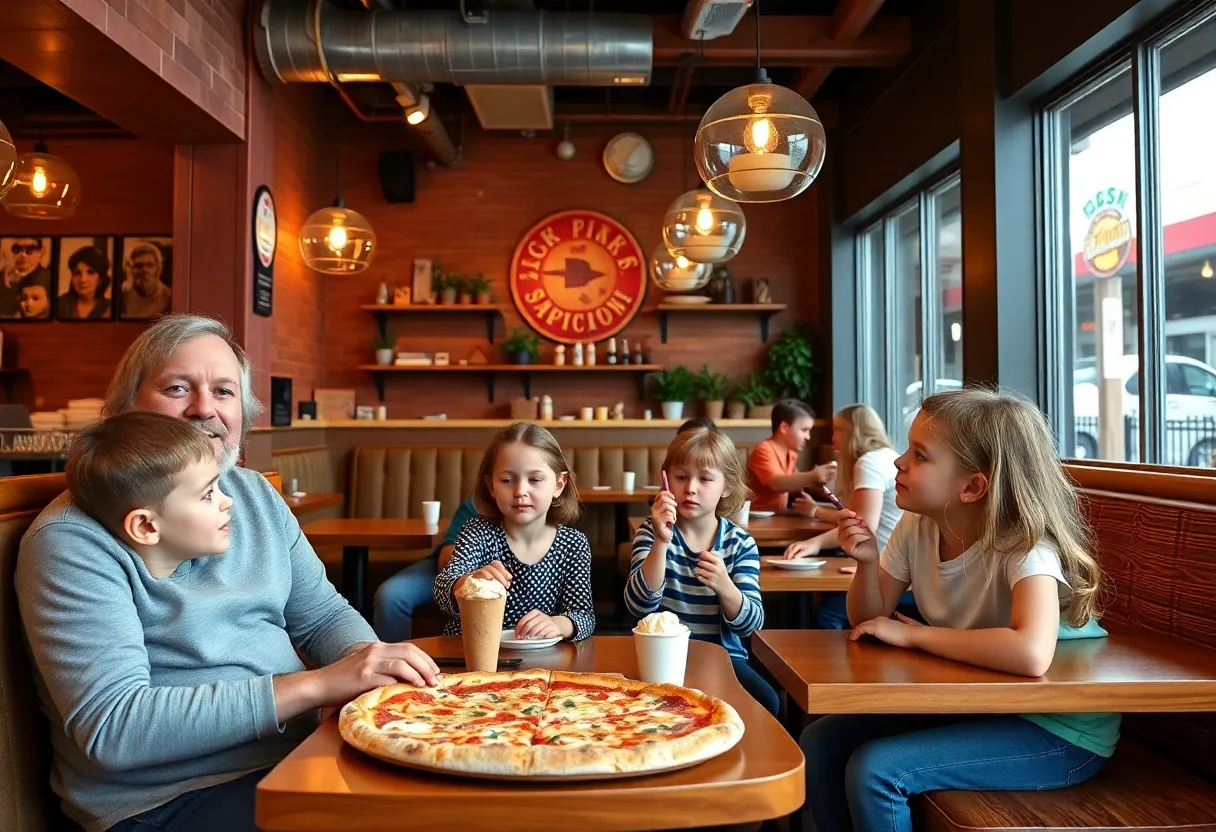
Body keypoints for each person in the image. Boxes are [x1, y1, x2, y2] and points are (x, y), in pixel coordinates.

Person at [16, 314, 439, 832]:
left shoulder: (254, 493)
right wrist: (318, 686)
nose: (205, 409)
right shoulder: (73, 539)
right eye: (177, 387)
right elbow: (115, 729)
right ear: (126, 409)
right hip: (165, 801)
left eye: (224, 391)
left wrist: (366, 668)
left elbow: (323, 616)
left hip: (295, 755)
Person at [801, 388, 1117, 832]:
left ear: (972, 487)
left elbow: (1031, 653)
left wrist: (913, 634)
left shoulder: (1025, 545)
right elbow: (866, 619)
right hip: (987, 701)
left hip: (1059, 730)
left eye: (920, 455)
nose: (899, 462)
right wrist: (866, 562)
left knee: (877, 769)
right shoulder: (918, 525)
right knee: (822, 739)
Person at [625, 427, 779, 716]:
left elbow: (751, 625)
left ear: (727, 486)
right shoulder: (650, 532)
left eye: (705, 478)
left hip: (725, 659)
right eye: (681, 477)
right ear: (666, 480)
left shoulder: (739, 543)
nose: (691, 487)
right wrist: (661, 541)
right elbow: (638, 605)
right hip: (661, 660)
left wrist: (725, 587)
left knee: (768, 702)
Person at [434, 421, 595, 641]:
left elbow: (584, 615)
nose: (520, 491)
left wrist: (560, 623)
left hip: (541, 660)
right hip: (472, 656)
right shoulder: (478, 532)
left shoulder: (573, 544)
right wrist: (467, 583)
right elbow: (443, 589)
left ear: (559, 484)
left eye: (535, 480)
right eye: (507, 480)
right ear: (491, 486)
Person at [783, 404, 918, 628]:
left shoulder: (870, 463)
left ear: (853, 432)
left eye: (838, 430)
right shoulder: (885, 456)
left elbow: (864, 526)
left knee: (828, 612)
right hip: (895, 570)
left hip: (889, 570)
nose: (832, 436)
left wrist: (814, 542)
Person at [374, 496, 478, 642]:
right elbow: (446, 558)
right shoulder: (475, 507)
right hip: (444, 573)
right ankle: (389, 661)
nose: (518, 492)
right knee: (390, 596)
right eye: (506, 480)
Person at [746, 399, 836, 513]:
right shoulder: (763, 450)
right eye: (804, 430)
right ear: (784, 427)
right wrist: (814, 475)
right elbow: (776, 483)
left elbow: (793, 484)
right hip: (757, 519)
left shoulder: (791, 454)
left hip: (777, 516)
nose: (808, 437)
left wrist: (817, 481)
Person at [57, 244, 112, 319]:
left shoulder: (111, 308)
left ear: (100, 278)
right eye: (77, 273)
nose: (83, 279)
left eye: (90, 272)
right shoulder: (59, 304)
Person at [1, 236, 51, 317]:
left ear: (40, 253)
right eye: (17, 249)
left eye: (30, 249)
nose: (23, 255)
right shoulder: (3, 276)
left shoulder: (48, 278)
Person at [121, 242, 172, 319]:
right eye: (139, 266)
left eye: (150, 265)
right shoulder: (124, 296)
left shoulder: (169, 298)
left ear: (158, 268)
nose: (145, 270)